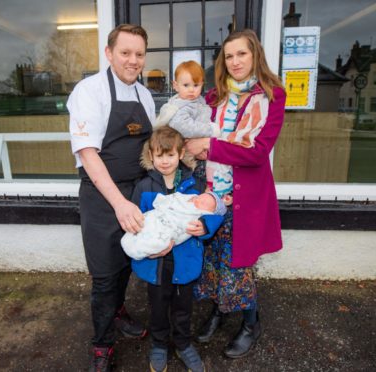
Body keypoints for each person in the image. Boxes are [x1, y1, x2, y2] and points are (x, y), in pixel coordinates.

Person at [185, 29, 286, 359]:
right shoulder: (214, 97)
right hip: (212, 192)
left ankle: (250, 322)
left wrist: (211, 146)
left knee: (239, 265)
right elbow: (193, 130)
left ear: (254, 54)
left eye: (241, 54)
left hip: (246, 199)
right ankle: (219, 310)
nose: (235, 61)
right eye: (229, 56)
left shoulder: (273, 96)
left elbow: (258, 152)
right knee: (213, 259)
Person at [66, 24, 155, 372]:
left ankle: (118, 311)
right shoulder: (89, 92)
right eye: (125, 53)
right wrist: (120, 203)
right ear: (109, 53)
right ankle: (102, 344)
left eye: (139, 54)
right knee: (104, 275)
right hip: (103, 197)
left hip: (138, 191)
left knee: (127, 263)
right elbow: (88, 155)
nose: (133, 61)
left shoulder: (145, 96)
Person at [128, 126, 224, 372]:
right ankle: (159, 344)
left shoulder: (195, 183)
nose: (164, 161)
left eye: (170, 155)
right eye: (159, 155)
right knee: (158, 307)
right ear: (151, 155)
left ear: (181, 153)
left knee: (183, 308)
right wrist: (145, 245)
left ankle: (183, 343)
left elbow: (214, 211)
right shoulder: (144, 186)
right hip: (156, 262)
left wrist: (205, 226)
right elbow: (135, 222)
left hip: (185, 259)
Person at [155, 60, 234, 200]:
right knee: (195, 182)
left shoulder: (197, 101)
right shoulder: (180, 105)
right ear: (175, 85)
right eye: (186, 85)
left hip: (199, 152)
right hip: (187, 157)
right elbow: (184, 127)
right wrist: (211, 130)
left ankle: (213, 194)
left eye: (196, 85)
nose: (191, 90)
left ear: (202, 84)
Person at [121, 191, 226, 260]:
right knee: (145, 226)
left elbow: (217, 219)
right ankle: (130, 241)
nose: (198, 200)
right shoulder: (184, 197)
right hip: (158, 219)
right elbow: (164, 199)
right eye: (200, 197)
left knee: (158, 241)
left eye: (204, 203)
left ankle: (141, 248)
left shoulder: (198, 215)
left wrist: (206, 224)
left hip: (172, 235)